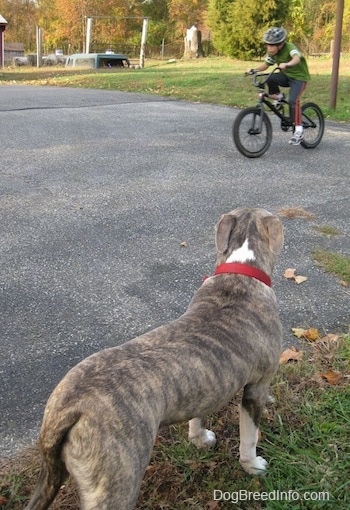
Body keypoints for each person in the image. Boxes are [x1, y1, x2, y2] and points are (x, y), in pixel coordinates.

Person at [248, 27, 311, 145]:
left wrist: (287, 64)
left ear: (281, 44)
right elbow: (266, 65)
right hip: (286, 76)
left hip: (299, 78)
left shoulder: (289, 47)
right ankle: (279, 97)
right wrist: (254, 70)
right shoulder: (272, 53)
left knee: (293, 101)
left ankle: (298, 130)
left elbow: (297, 58)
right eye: (267, 45)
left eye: (272, 45)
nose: (269, 48)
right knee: (270, 78)